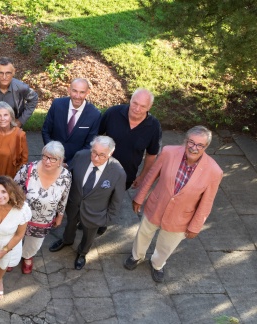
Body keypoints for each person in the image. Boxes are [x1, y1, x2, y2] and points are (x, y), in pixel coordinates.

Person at [125, 126, 222, 283]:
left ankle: (157, 264)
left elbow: (207, 202)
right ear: (185, 141)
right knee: (144, 233)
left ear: (206, 147)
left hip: (181, 217)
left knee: (166, 245)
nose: (194, 147)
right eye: (191, 142)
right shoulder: (169, 152)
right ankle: (136, 256)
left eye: (199, 145)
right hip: (156, 205)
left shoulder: (214, 171)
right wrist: (139, 197)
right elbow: (151, 176)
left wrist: (195, 226)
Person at [48, 136, 126, 270]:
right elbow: (66, 176)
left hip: (95, 213)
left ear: (110, 153)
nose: (95, 158)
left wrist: (106, 219)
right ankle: (67, 240)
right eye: (94, 152)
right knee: (70, 224)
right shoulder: (80, 156)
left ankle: (82, 253)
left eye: (101, 155)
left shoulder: (118, 172)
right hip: (74, 204)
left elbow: (117, 200)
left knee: (89, 235)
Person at [96, 88, 162, 236]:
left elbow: (152, 155)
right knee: (95, 192)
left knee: (113, 198)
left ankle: (102, 221)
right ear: (130, 100)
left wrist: (142, 176)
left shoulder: (153, 126)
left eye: (143, 106)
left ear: (149, 107)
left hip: (126, 174)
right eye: (135, 103)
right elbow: (96, 135)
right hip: (100, 166)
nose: (137, 109)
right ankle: (88, 217)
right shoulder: (113, 113)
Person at [12, 141, 71, 274]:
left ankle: (27, 256)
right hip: (21, 216)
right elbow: (12, 189)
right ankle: (12, 257)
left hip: (43, 219)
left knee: (34, 242)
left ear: (60, 160)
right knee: (15, 237)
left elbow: (64, 197)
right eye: (45, 156)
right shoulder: (28, 169)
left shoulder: (66, 176)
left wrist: (60, 215)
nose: (47, 161)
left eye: (52, 158)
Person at [41, 78, 101, 164]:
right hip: (51, 160)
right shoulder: (57, 105)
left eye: (82, 92)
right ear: (69, 90)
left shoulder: (95, 114)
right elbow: (46, 131)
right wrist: (52, 155)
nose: (77, 96)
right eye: (74, 91)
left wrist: (71, 163)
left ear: (88, 92)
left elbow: (89, 144)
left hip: (76, 163)